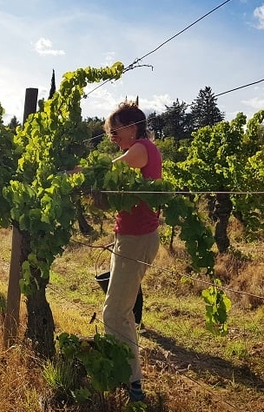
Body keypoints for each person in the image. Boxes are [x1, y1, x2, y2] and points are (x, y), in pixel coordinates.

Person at [102, 102, 161, 402]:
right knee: (119, 309)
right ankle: (124, 373)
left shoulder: (141, 148)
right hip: (130, 237)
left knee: (114, 312)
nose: (112, 136)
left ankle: (131, 381)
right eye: (109, 132)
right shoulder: (140, 148)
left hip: (137, 239)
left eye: (115, 130)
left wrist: (83, 174)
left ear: (132, 126)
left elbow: (113, 169)